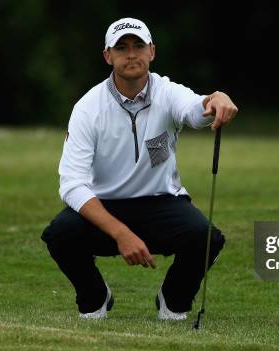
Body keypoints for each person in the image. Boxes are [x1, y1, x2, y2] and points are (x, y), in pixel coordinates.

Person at [40, 17, 238, 320]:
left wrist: (216, 99)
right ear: (108, 56)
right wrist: (121, 233)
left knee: (206, 237)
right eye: (121, 48)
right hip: (104, 208)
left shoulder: (167, 92)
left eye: (138, 46)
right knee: (59, 234)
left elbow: (196, 110)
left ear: (152, 52)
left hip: (160, 202)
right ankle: (95, 299)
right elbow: (71, 185)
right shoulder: (87, 108)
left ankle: (173, 301)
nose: (131, 54)